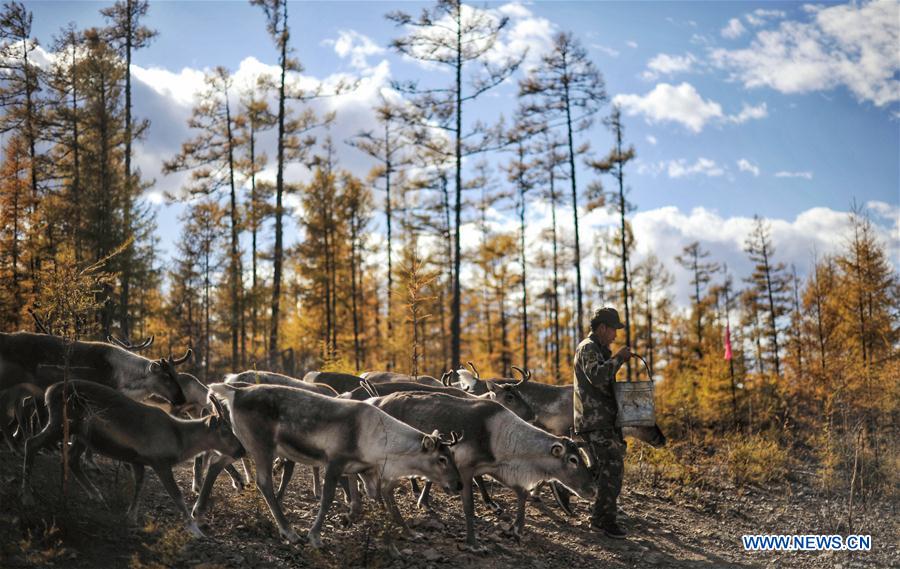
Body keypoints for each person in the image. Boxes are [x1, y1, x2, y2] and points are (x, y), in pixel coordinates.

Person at [573, 306, 632, 539]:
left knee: (603, 469)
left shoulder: (598, 349)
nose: (615, 335)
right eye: (613, 330)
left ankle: (601, 516)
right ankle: (603, 520)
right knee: (612, 467)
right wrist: (619, 359)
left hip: (602, 420)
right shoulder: (588, 348)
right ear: (602, 328)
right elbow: (597, 376)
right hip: (593, 420)